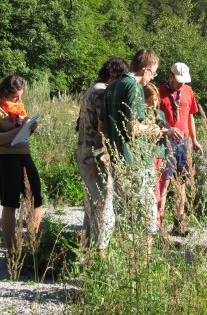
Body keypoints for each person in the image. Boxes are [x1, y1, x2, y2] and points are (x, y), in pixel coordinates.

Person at [98, 49, 161, 252]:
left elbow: (102, 129)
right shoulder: (134, 87)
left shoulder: (111, 87)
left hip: (118, 160)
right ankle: (145, 259)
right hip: (136, 160)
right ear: (146, 70)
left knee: (123, 213)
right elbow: (133, 128)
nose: (153, 78)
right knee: (147, 213)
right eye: (154, 73)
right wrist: (156, 129)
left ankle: (122, 256)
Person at [0, 75, 44, 257]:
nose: (19, 100)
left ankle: (32, 245)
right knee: (10, 203)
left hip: (24, 155)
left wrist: (30, 128)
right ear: (5, 92)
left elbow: (22, 135)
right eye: (15, 96)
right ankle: (12, 251)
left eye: (21, 96)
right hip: (6, 159)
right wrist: (20, 129)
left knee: (36, 199)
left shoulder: (18, 106)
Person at [77, 56, 129, 256]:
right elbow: (104, 127)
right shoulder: (101, 93)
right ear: (112, 74)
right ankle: (100, 255)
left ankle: (86, 254)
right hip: (95, 156)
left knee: (92, 207)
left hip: (87, 153)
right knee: (102, 206)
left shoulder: (92, 89)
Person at [158, 62, 204, 236]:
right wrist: (167, 130)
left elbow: (190, 116)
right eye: (178, 81)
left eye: (184, 81)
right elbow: (153, 117)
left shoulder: (188, 91)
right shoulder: (158, 91)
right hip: (164, 142)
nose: (181, 84)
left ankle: (179, 225)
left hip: (183, 143)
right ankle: (158, 227)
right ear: (170, 76)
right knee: (164, 184)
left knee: (181, 184)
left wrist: (194, 139)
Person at [143, 83, 172, 225]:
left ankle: (159, 220)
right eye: (150, 100)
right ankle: (153, 223)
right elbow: (146, 134)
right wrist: (162, 131)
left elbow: (164, 126)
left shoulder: (159, 114)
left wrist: (171, 130)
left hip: (162, 153)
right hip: (150, 154)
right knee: (153, 189)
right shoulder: (142, 114)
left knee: (162, 188)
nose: (153, 103)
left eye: (155, 100)